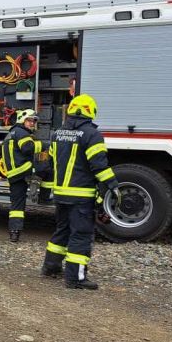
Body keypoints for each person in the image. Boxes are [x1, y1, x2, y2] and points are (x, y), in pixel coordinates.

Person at [41, 94, 121, 290]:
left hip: (60, 195)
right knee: (81, 235)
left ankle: (51, 267)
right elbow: (99, 167)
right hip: (81, 196)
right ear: (90, 111)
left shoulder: (57, 133)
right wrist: (114, 185)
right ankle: (75, 278)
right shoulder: (92, 135)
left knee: (62, 230)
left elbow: (51, 164)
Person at [2, 109, 43, 243]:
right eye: (29, 120)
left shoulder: (12, 132)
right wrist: (43, 145)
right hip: (23, 170)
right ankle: (46, 196)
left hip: (14, 174)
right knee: (48, 168)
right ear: (21, 120)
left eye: (33, 121)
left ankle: (14, 232)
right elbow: (28, 148)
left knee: (17, 204)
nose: (32, 123)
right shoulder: (21, 132)